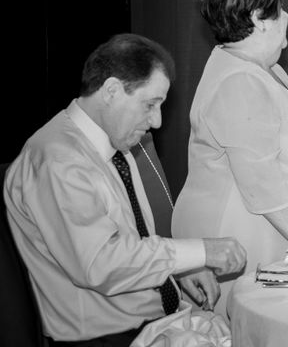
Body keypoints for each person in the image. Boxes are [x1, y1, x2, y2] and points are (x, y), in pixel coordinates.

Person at [4, 33, 247, 346]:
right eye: (150, 105)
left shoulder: (112, 147)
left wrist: (179, 270)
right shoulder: (57, 160)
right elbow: (102, 263)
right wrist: (201, 250)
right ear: (112, 91)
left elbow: (129, 242)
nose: (157, 121)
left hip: (153, 324)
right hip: (109, 338)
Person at [172, 0, 288, 317]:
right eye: (281, 10)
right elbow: (260, 182)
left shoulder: (263, 69)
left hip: (275, 234)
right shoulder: (239, 81)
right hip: (245, 236)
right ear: (260, 18)